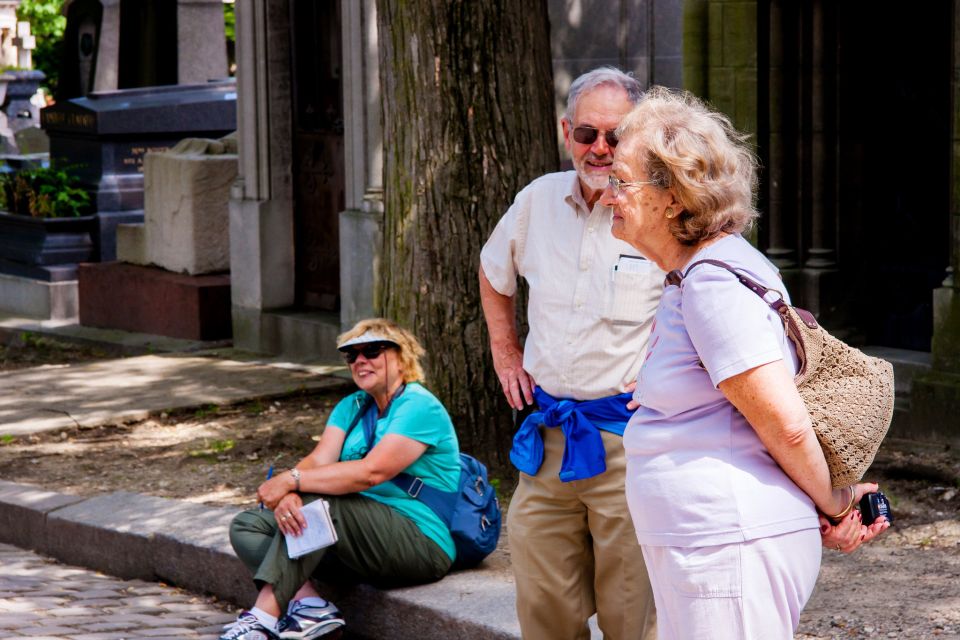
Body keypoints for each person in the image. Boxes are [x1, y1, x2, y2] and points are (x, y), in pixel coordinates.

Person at [600, 86, 890, 639]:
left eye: (621, 180)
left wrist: (833, 501)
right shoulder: (694, 277)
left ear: (674, 197)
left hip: (728, 543)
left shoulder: (712, 282)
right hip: (710, 543)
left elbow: (783, 421)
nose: (608, 193)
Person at [479, 67, 661, 640]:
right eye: (588, 134)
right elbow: (492, 274)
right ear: (567, 133)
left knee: (631, 614)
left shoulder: (661, 214)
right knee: (543, 607)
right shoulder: (537, 202)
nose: (600, 148)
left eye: (616, 134)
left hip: (630, 444)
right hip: (547, 439)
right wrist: (505, 349)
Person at [222, 318, 461, 640]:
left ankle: (262, 618)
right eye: (352, 355)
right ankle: (310, 607)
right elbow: (319, 461)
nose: (360, 360)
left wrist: (293, 482)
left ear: (402, 356)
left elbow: (370, 473)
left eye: (372, 351)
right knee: (250, 524)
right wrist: (290, 493)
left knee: (317, 503)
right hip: (357, 538)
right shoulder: (353, 406)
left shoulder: (419, 406)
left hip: (419, 542)